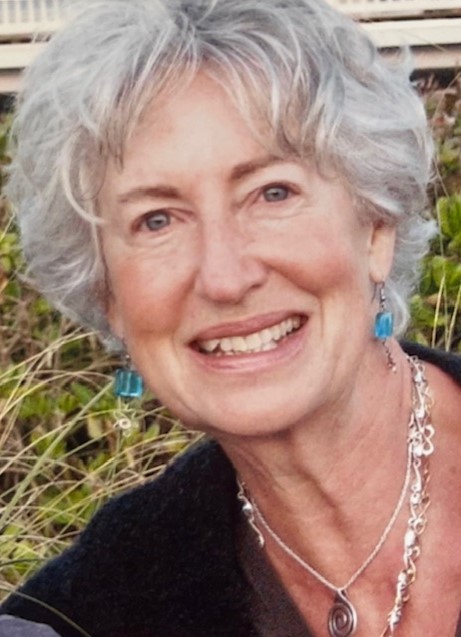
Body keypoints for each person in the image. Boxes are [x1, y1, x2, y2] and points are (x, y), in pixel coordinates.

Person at [1, 0, 461, 635]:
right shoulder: (88, 612)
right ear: (108, 294)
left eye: (272, 193)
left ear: (375, 226)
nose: (224, 276)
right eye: (156, 220)